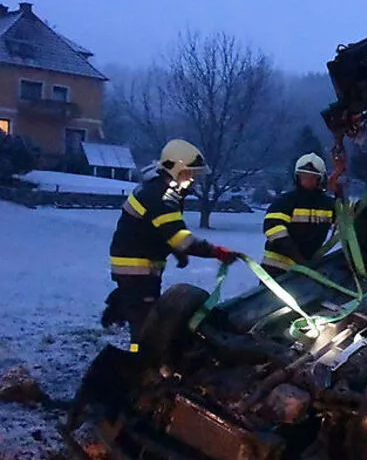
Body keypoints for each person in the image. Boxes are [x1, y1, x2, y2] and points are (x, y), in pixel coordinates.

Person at [101, 140, 240, 335]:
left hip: (136, 268)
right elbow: (179, 237)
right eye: (188, 173)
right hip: (138, 269)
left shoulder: (154, 188)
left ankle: (124, 304)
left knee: (144, 313)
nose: (191, 179)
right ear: (173, 168)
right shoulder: (163, 197)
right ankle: (139, 360)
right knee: (145, 328)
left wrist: (176, 251)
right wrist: (217, 252)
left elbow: (155, 230)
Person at [261, 153, 337, 277]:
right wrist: (297, 257)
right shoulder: (285, 201)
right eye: (304, 176)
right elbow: (273, 229)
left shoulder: (328, 204)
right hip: (276, 269)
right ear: (297, 177)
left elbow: (348, 221)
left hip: (307, 269)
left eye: (312, 177)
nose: (307, 180)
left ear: (320, 179)